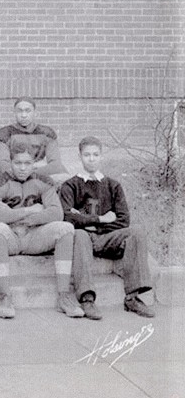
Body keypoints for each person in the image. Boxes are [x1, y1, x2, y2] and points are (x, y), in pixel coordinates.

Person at [0, 142, 84, 319]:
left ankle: (63, 295)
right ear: (10, 163)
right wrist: (28, 211)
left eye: (27, 163)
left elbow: (56, 212)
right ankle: (5, 297)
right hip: (11, 237)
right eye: (18, 163)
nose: (23, 168)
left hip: (34, 236)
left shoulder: (43, 181)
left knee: (66, 228)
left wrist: (25, 217)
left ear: (34, 163)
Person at [60, 136, 155, 319]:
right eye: (87, 155)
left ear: (101, 156)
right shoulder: (71, 185)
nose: (92, 158)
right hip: (84, 239)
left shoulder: (113, 185)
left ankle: (132, 298)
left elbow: (123, 219)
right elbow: (66, 216)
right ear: (80, 156)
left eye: (96, 154)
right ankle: (87, 299)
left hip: (108, 238)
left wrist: (89, 222)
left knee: (136, 232)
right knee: (79, 234)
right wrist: (101, 219)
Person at [0, 97, 68, 183]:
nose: (24, 115)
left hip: (36, 174)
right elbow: (4, 167)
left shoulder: (47, 133)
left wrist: (27, 172)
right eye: (19, 111)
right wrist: (35, 167)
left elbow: (56, 165)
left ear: (35, 113)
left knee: (64, 180)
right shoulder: (4, 134)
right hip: (13, 177)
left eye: (27, 111)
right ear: (14, 113)